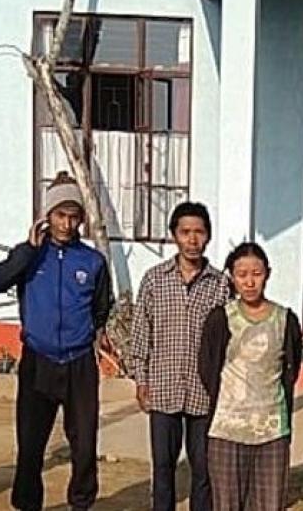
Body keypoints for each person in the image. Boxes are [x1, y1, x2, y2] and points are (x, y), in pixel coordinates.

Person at [0, 171, 113, 511]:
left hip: (79, 364)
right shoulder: (28, 256)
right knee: (30, 444)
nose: (67, 224)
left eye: (74, 216)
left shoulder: (93, 261)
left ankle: (81, 503)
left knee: (84, 444)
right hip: (38, 360)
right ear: (47, 216)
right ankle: (28, 504)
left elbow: (102, 307)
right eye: (60, 215)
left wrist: (90, 336)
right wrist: (28, 250)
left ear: (82, 219)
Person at [129, 202, 230, 511]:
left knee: (204, 468)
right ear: (174, 235)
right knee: (163, 467)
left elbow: (227, 340)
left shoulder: (221, 285)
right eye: (185, 232)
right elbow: (141, 333)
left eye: (199, 232)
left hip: (204, 392)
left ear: (208, 236)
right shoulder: (154, 279)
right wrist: (141, 380)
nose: (192, 239)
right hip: (163, 388)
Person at [198, 243, 302, 511]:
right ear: (232, 277)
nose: (249, 282)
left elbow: (291, 370)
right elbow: (207, 367)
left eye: (256, 273)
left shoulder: (285, 320)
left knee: (270, 504)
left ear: (268, 274)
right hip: (226, 427)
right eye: (241, 274)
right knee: (226, 505)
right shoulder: (220, 318)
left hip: (272, 429)